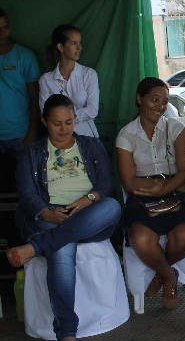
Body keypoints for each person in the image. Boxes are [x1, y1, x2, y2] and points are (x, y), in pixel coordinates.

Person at [6, 94, 121, 341]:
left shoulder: (91, 145)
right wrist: (47, 212)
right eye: (56, 123)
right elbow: (27, 193)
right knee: (61, 249)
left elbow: (105, 183)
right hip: (49, 214)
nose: (64, 129)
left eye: (69, 122)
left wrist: (88, 199)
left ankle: (37, 246)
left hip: (89, 214)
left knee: (112, 206)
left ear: (75, 119)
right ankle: (67, 332)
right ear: (44, 121)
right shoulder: (32, 152)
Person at [116, 77, 185, 310]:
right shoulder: (126, 135)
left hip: (178, 193)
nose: (160, 106)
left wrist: (167, 187)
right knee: (140, 238)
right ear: (139, 98)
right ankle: (169, 275)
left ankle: (160, 274)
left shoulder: (175, 128)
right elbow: (128, 182)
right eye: (154, 100)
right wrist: (165, 182)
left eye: (164, 102)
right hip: (143, 196)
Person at [39, 24, 100, 137]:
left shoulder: (89, 74)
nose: (79, 47)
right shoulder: (46, 80)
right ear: (61, 47)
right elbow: (46, 113)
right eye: (74, 43)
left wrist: (62, 118)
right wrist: (74, 116)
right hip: (58, 138)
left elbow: (93, 110)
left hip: (86, 136)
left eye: (79, 42)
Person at [0, 8, 40, 154]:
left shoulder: (25, 56)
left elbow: (35, 97)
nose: (2, 33)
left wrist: (32, 133)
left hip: (20, 135)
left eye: (5, 27)